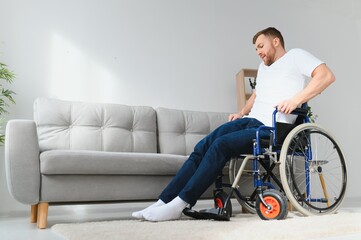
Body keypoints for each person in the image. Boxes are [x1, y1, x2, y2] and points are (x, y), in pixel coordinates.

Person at [132, 27, 335, 222]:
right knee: (202, 146)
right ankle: (162, 201)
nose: (259, 52)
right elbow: (257, 95)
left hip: (273, 129)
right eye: (256, 49)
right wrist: (241, 113)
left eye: (261, 46)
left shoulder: (295, 56)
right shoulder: (264, 68)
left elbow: (326, 76)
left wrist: (295, 100)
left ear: (276, 41)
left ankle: (179, 204)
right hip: (250, 121)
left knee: (221, 146)